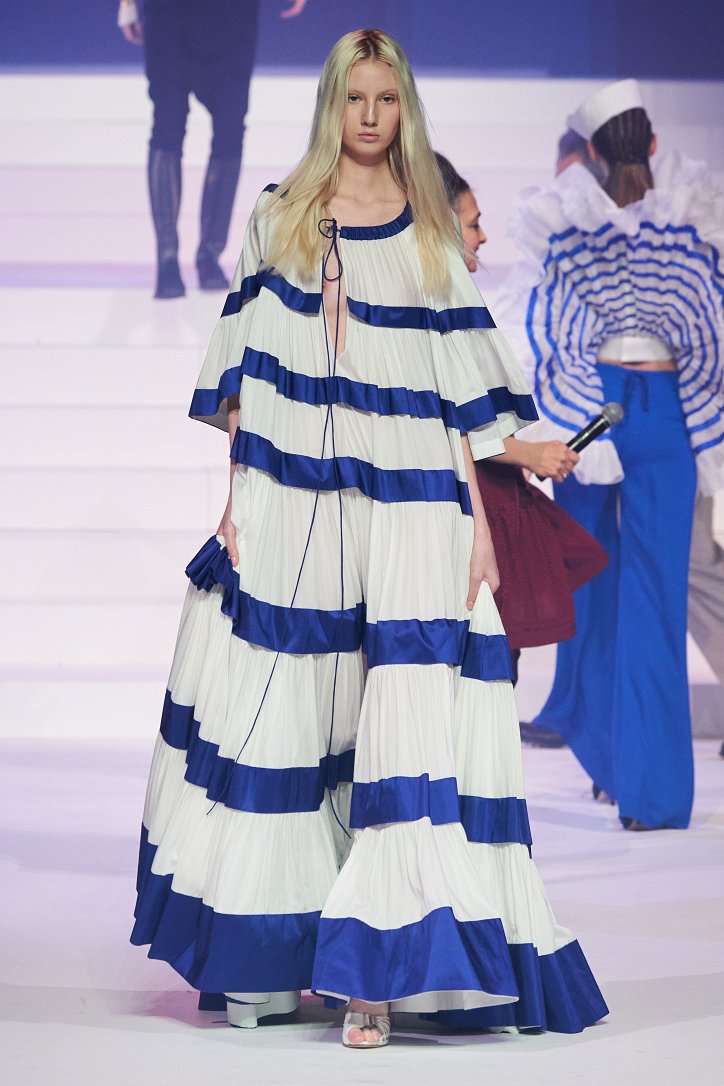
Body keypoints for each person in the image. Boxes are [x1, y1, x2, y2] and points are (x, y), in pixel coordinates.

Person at [130, 29, 608, 1046]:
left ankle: (377, 979)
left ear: (405, 110)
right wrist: (236, 501)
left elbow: (459, 399)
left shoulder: (429, 232)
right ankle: (273, 960)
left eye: (388, 101)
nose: (371, 118)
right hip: (297, 499)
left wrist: (480, 523)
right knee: (288, 716)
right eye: (356, 98)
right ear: (331, 103)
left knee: (400, 731)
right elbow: (243, 379)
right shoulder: (278, 217)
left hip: (410, 507)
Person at [505, 79, 724, 830]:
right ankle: (652, 795)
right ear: (653, 144)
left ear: (591, 153)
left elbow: (532, 323)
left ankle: (605, 760)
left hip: (591, 410)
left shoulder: (567, 222)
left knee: (590, 589)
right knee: (657, 600)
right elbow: (711, 330)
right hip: (666, 412)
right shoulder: (691, 214)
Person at [435, 153, 608, 734]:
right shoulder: (438, 308)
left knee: (484, 673)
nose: (483, 236)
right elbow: (458, 420)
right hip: (472, 511)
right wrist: (531, 454)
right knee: (478, 675)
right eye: (474, 222)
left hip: (486, 502)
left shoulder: (452, 301)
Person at [117, 0, 308, 299]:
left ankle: (209, 254)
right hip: (169, 12)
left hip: (232, 13)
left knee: (229, 125)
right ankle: (168, 258)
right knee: (168, 122)